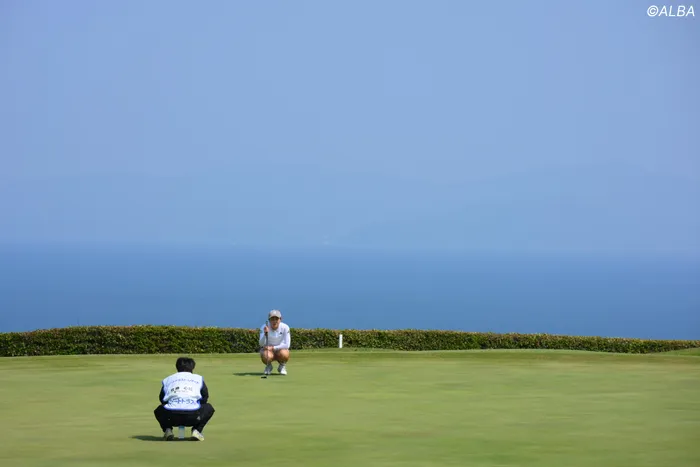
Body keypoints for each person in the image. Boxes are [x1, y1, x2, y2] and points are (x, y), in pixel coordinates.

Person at [153, 357, 215, 441]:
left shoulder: (168, 379)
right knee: (209, 408)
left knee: (159, 410)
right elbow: (205, 397)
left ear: (177, 367)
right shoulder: (198, 378)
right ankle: (196, 430)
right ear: (193, 367)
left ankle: (168, 430)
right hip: (193, 416)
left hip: (171, 417)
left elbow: (162, 399)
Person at [259, 309, 291, 375]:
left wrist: (273, 348)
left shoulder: (285, 327)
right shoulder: (264, 327)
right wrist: (265, 334)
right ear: (269, 320)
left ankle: (282, 366)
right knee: (266, 355)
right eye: (272, 319)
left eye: (276, 319)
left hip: (280, 350)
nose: (274, 321)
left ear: (280, 319)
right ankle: (269, 366)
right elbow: (261, 344)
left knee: (285, 354)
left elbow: (287, 345)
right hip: (268, 351)